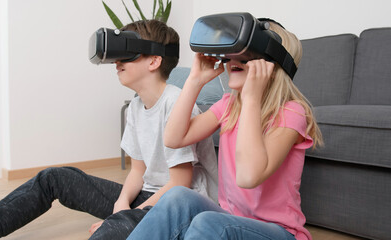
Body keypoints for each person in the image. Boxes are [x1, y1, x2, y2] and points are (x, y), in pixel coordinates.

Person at [0, 20, 218, 240]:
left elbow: (180, 183)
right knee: (55, 178)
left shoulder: (177, 103)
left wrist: (123, 217)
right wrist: (122, 204)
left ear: (153, 61)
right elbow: (138, 171)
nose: (117, 63)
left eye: (125, 56)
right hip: (147, 196)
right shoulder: (136, 106)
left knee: (116, 228)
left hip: (181, 206)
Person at [127, 19, 323, 240]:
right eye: (232, 53)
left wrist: (251, 98)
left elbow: (248, 177)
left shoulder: (292, 113)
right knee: (177, 196)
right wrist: (195, 80)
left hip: (279, 232)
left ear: (273, 65)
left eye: (247, 55)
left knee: (208, 222)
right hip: (232, 221)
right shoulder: (229, 105)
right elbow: (173, 138)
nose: (234, 60)